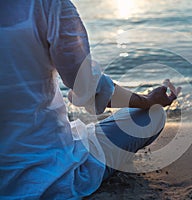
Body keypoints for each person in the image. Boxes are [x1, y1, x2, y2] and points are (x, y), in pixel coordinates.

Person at [0, 0, 181, 199]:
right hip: (48, 178)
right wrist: (147, 100)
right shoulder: (48, 5)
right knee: (152, 117)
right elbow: (88, 88)